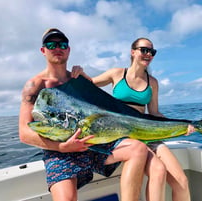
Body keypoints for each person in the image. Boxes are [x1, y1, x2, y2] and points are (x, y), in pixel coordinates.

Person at [18, 28, 150, 201]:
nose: (57, 48)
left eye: (62, 44)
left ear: (68, 50)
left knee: (138, 149)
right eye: (51, 44)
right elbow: (24, 133)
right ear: (43, 50)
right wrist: (62, 147)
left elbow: (101, 106)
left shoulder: (77, 79)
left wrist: (85, 78)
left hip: (92, 143)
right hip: (59, 150)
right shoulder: (34, 85)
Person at [72, 37, 193, 201]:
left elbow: (155, 113)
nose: (148, 54)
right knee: (158, 171)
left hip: (147, 133)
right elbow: (90, 83)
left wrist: (181, 126)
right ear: (133, 52)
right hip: (122, 136)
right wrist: (80, 71)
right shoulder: (116, 73)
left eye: (152, 52)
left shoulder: (153, 83)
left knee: (182, 182)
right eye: (144, 50)